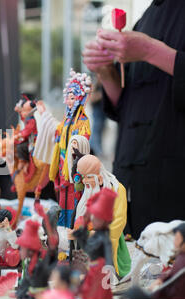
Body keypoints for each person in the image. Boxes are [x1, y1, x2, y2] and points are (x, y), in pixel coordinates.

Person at [82, 0, 185, 239]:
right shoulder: (147, 17)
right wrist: (105, 71)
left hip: (175, 188)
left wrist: (151, 51)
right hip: (132, 183)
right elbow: (126, 107)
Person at [36, 69, 92, 229]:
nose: (68, 100)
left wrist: (76, 143)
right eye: (67, 97)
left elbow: (85, 138)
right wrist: (45, 114)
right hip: (62, 163)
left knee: (75, 195)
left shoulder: (82, 121)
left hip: (74, 164)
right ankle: (62, 226)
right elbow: (57, 130)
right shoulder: (66, 121)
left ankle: (74, 226)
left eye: (72, 97)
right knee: (62, 194)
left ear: (80, 99)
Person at [70, 154, 131, 278]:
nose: (85, 181)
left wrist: (97, 233)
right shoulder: (89, 188)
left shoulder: (117, 190)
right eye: (83, 178)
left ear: (99, 176)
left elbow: (119, 220)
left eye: (88, 177)